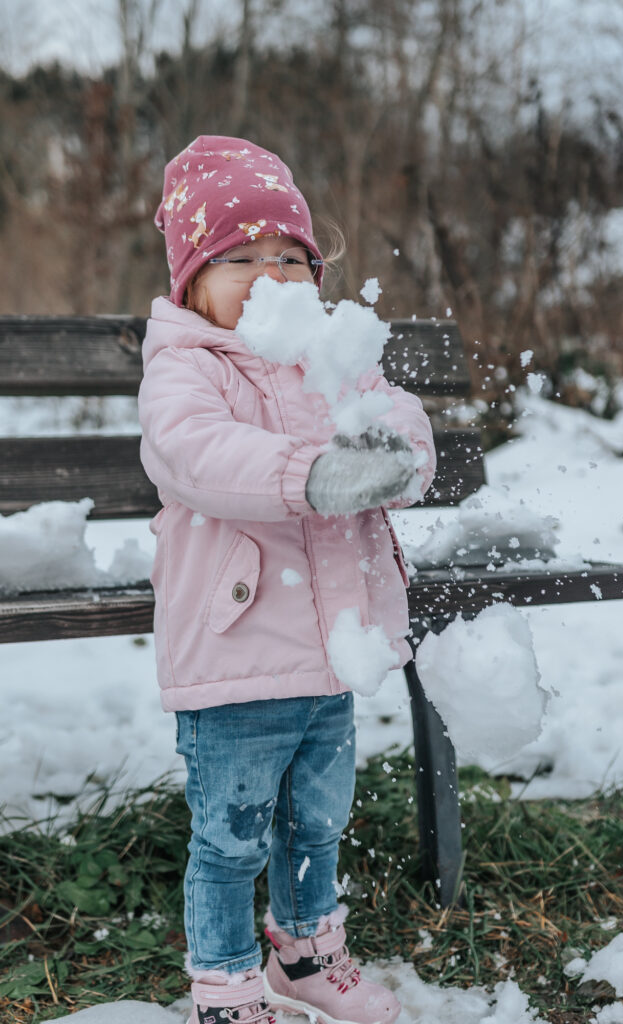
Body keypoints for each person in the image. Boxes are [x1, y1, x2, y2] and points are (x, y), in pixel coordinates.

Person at [138, 135, 437, 1024]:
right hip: (236, 656)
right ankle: (225, 982)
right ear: (192, 278)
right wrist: (310, 475)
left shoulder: (329, 356)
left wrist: (393, 459)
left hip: (329, 655)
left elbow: (401, 424)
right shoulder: (187, 366)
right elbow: (195, 452)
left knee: (316, 821)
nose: (270, 275)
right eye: (240, 259)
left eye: (290, 258)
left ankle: (305, 952)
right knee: (229, 839)